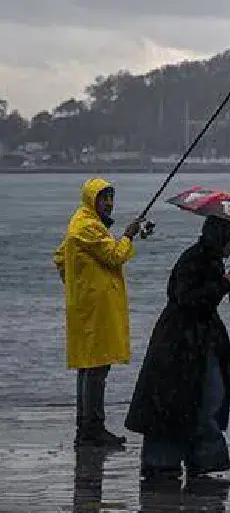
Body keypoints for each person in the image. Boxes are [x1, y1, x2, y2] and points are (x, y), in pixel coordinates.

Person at [125, 216, 230, 483]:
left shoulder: (205, 258)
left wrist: (220, 286)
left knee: (196, 400)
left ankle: (186, 461)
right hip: (182, 342)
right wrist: (222, 286)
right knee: (196, 400)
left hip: (190, 340)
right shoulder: (196, 259)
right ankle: (188, 461)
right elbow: (186, 298)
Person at [54, 177, 144, 447]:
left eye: (110, 198)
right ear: (91, 199)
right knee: (96, 367)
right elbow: (116, 256)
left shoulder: (82, 222)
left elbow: (60, 257)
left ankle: (86, 427)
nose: (109, 203)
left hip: (86, 306)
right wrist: (128, 235)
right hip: (95, 309)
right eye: (103, 198)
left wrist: (78, 283)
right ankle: (92, 429)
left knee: (88, 366)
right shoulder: (88, 226)